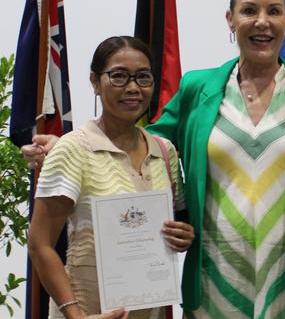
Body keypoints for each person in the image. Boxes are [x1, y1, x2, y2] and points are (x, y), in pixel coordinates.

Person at [23, 0, 285, 318]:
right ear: (231, 19)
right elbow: (142, 140)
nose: (261, 22)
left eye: (273, 11)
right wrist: (70, 145)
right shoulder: (198, 89)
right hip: (215, 281)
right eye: (249, 10)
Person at [27, 36, 195, 319]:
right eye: (118, 76)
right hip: (87, 312)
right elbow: (39, 243)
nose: (132, 87)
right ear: (95, 82)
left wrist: (183, 235)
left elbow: (179, 222)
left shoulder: (164, 152)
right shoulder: (72, 149)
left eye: (143, 77)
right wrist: (75, 315)